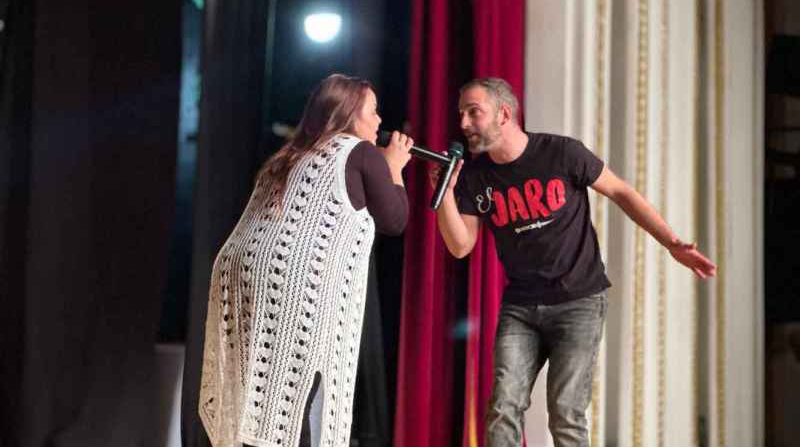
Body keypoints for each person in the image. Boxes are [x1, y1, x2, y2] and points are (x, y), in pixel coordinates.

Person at [431, 78, 716, 447]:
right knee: (503, 407)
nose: (464, 123)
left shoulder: (562, 153)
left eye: (474, 112)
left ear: (503, 114)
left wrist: (672, 243)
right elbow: (460, 246)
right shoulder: (474, 176)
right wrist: (445, 196)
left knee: (566, 413)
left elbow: (621, 191)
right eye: (461, 114)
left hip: (578, 301)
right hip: (520, 306)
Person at [198, 73, 413, 447]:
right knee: (296, 394)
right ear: (349, 113)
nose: (380, 121)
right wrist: (394, 167)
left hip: (244, 277)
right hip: (292, 282)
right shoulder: (359, 152)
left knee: (262, 390)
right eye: (373, 111)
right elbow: (394, 220)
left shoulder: (290, 154)